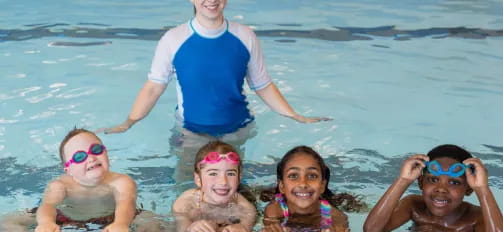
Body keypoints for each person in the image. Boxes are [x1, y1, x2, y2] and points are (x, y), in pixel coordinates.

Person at [98, 0, 330, 191]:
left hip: (238, 130)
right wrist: (129, 121)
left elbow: (262, 84)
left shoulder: (245, 36)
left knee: (233, 187)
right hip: (191, 132)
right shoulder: (173, 39)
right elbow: (153, 87)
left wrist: (294, 116)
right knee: (188, 186)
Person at [0, 128, 159, 232]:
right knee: (9, 221)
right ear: (68, 169)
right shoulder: (60, 185)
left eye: (96, 150)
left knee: (153, 223)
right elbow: (48, 206)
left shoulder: (121, 181)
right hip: (66, 218)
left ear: (106, 153)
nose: (90, 158)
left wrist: (121, 223)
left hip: (112, 218)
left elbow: (126, 203)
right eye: (79, 157)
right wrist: (46, 223)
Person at [363, 144, 503, 232]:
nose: (441, 189)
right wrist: (403, 180)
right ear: (421, 183)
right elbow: (372, 231)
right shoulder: (413, 206)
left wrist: (482, 189)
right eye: (433, 180)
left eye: (454, 183)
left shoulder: (476, 217)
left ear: (468, 189)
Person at [172, 140, 256, 232]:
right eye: (213, 173)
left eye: (230, 173)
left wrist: (240, 228)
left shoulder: (246, 209)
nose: (223, 181)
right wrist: (191, 227)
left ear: (239, 178)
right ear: (198, 179)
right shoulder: (185, 203)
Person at [261, 146, 349, 232]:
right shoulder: (275, 210)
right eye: (293, 176)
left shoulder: (334, 215)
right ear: (282, 186)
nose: (303, 184)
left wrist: (339, 230)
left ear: (322, 186)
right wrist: (272, 229)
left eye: (312, 176)